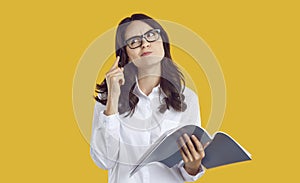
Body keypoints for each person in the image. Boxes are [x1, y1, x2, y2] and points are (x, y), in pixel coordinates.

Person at [90, 13, 207, 183]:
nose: (145, 43)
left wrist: (193, 165)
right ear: (125, 53)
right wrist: (113, 97)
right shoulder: (108, 97)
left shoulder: (187, 98)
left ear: (163, 41)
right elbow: (104, 160)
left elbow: (187, 173)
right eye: (134, 41)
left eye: (151, 35)